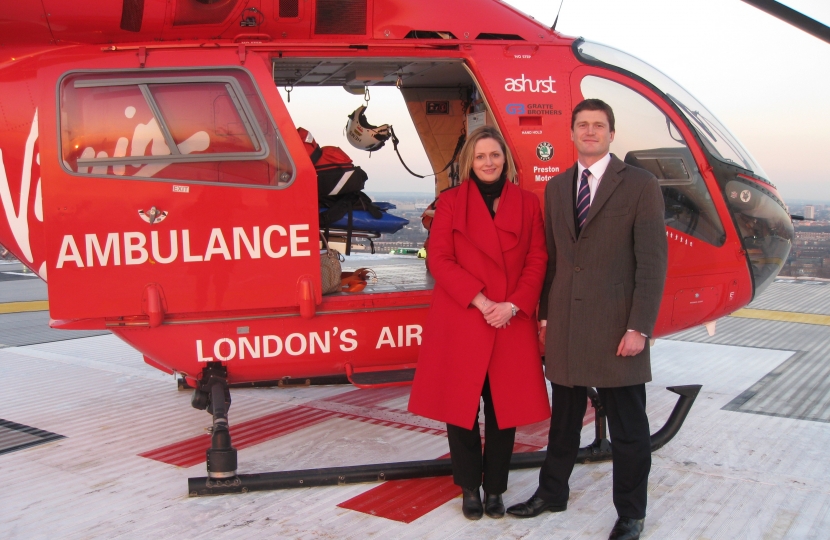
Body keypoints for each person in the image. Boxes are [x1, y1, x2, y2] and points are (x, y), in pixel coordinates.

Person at [506, 99, 668, 540]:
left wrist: (640, 327)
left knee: (630, 431)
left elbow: (652, 264)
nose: (590, 132)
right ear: (572, 134)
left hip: (618, 329)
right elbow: (554, 261)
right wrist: (544, 316)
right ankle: (552, 493)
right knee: (563, 422)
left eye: (599, 126)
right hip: (567, 327)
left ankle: (631, 513)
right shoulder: (558, 188)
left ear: (612, 134)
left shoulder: (639, 185)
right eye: (583, 125)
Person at [408, 125, 550, 520]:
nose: (489, 162)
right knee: (462, 408)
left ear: (505, 160)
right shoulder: (450, 202)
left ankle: (495, 490)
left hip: (510, 320)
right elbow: (439, 259)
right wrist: (483, 299)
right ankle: (470, 487)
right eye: (482, 156)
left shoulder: (527, 203)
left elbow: (538, 259)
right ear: (471, 160)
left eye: (496, 155)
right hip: (465, 315)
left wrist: (514, 305)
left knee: (505, 410)